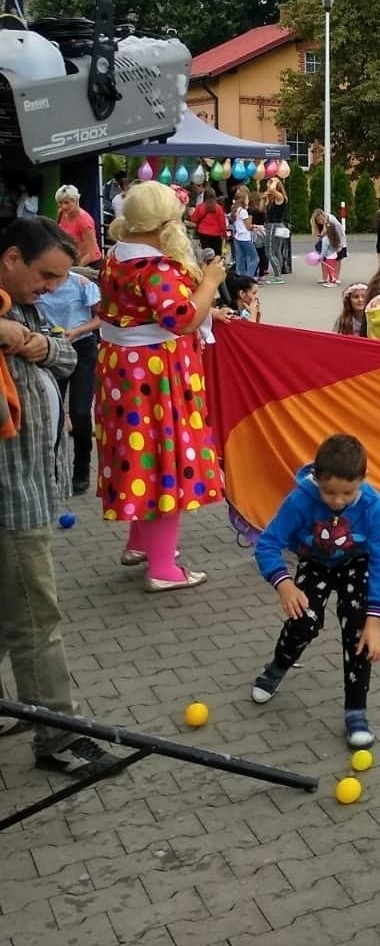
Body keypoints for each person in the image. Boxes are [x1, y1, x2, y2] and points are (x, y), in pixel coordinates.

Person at [0, 217, 119, 774]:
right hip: (11, 496)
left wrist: (26, 340)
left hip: (33, 486)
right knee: (36, 618)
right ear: (11, 259)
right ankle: (59, 737)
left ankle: (20, 709)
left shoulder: (23, 307)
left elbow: (67, 356)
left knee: (13, 611)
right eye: (46, 275)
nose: (51, 288)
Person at [98, 182, 225, 591]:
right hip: (157, 378)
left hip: (124, 374)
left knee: (140, 457)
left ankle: (140, 545)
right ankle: (163, 569)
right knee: (163, 463)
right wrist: (209, 283)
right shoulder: (157, 268)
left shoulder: (116, 257)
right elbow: (181, 319)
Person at [249, 433, 380, 750]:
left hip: (356, 564)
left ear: (363, 479)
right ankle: (278, 666)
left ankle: (356, 711)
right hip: (315, 562)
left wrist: (374, 621)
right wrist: (284, 584)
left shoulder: (373, 505)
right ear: (316, 478)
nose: (338, 501)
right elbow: (268, 545)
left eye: (348, 492)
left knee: (359, 631)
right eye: (329, 492)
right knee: (304, 621)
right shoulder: (300, 500)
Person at [36, 265, 100, 495]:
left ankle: (81, 469)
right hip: (52, 349)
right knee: (53, 414)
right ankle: (52, 471)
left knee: (80, 412)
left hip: (82, 348)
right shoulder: (38, 283)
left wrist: (78, 331)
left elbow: (101, 317)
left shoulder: (81, 283)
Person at [55, 185, 102, 273]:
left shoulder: (84, 221)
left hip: (89, 264)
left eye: (67, 202)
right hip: (72, 260)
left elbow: (91, 253)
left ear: (76, 200)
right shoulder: (61, 213)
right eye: (60, 203)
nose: (63, 206)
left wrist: (75, 270)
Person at [262, 177, 292, 282]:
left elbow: (272, 190)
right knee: (276, 250)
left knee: (269, 251)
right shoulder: (272, 199)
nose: (268, 188)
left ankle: (277, 275)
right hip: (275, 226)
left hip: (274, 226)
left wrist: (274, 181)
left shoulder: (280, 197)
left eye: (269, 185)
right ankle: (278, 274)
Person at [230, 187, 258, 281]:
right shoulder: (243, 212)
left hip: (238, 237)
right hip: (245, 237)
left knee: (240, 259)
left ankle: (240, 278)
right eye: (247, 199)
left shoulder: (235, 210)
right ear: (243, 200)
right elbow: (248, 227)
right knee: (254, 258)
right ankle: (249, 278)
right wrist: (255, 227)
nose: (248, 201)